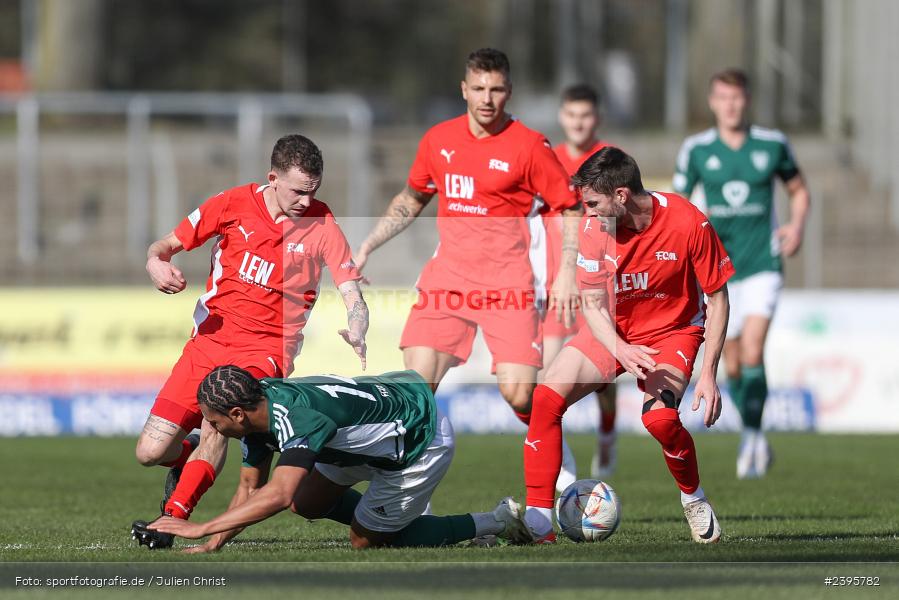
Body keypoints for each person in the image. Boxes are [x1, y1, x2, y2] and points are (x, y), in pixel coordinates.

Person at [131, 134, 369, 547]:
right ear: (272, 178)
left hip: (266, 351)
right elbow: (165, 245)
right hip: (208, 341)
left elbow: (352, 290)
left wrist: (358, 323)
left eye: (314, 191)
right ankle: (185, 454)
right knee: (150, 452)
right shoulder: (231, 203)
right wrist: (155, 262)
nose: (305, 201)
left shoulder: (322, 223)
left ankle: (171, 519)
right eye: (297, 191)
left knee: (218, 422)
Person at [354, 50, 582, 448]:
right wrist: (369, 244)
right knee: (416, 388)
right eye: (478, 88)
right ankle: (407, 491)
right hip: (449, 279)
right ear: (464, 89)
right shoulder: (439, 140)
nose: (487, 98)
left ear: (508, 91)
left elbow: (572, 207)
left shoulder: (529, 146)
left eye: (496, 89)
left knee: (520, 393)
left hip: (508, 283)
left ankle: (552, 450)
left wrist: (566, 272)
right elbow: (411, 199)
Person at [517, 147, 733, 544]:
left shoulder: (688, 222)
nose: (589, 212)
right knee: (545, 400)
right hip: (612, 330)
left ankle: (693, 498)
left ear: (621, 196)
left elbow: (718, 298)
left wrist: (709, 374)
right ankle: (538, 521)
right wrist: (620, 349)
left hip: (672, 333)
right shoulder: (593, 229)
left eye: (594, 203)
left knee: (661, 422)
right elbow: (594, 304)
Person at [136, 365, 532, 550]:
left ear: (236, 414)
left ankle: (493, 522)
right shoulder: (257, 408)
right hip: (372, 431)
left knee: (367, 541)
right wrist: (215, 543)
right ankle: (390, 517)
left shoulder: (295, 419)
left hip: (416, 440)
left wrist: (200, 528)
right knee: (307, 502)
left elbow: (276, 493)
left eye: (213, 421)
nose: (211, 429)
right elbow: (249, 487)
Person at [673, 69, 811, 479]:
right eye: (722, 98)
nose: (730, 105)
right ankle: (755, 432)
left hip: (762, 264)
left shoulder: (771, 144)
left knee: (752, 350)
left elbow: (799, 189)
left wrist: (797, 226)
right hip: (716, 269)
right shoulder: (697, 149)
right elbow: (678, 203)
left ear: (746, 100)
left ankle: (751, 436)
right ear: (712, 102)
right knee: (732, 363)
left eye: (736, 98)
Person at [545, 83, 618, 480]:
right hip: (558, 282)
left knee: (606, 379)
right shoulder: (549, 159)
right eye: (572, 115)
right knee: (550, 375)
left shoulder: (609, 161)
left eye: (586, 115)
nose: (578, 122)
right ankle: (565, 468)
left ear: (597, 118)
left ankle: (607, 430)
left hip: (599, 283)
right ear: (562, 117)